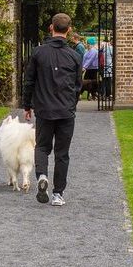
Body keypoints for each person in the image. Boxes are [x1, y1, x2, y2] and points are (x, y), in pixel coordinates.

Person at [21, 12, 84, 206]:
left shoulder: (39, 53)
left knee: (41, 147)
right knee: (62, 153)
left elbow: (29, 80)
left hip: (45, 109)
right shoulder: (74, 56)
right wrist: (71, 104)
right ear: (69, 30)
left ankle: (41, 176)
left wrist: (27, 104)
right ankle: (58, 193)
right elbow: (77, 85)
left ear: (51, 27)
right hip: (65, 110)